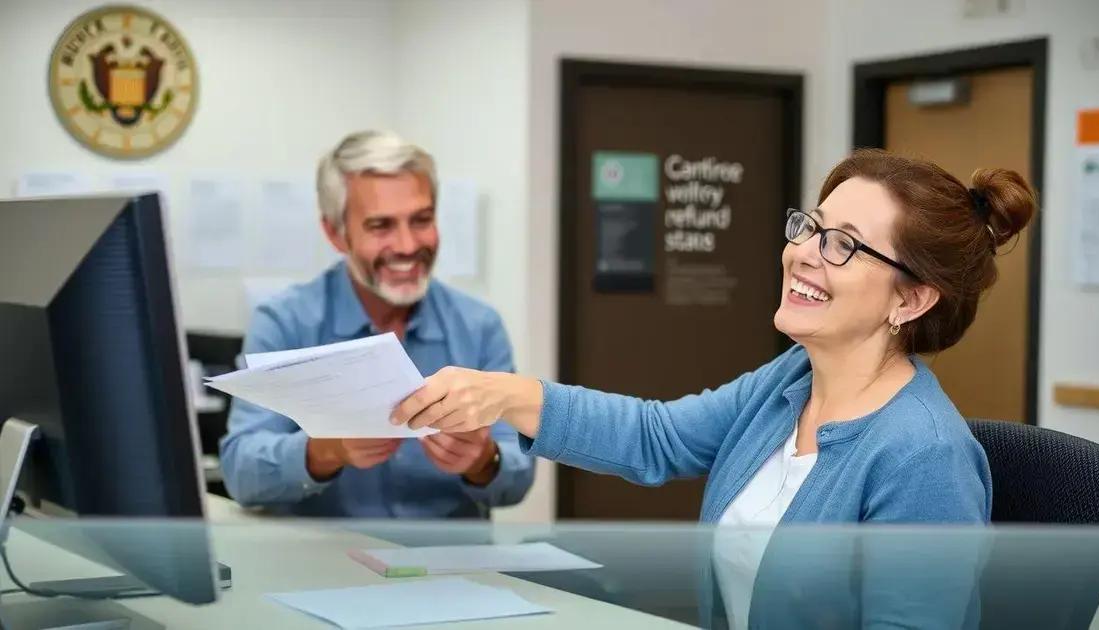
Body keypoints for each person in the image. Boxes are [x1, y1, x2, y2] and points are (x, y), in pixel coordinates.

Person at [390, 149, 1037, 626]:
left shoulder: (924, 455)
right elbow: (656, 436)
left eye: (843, 245)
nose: (804, 252)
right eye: (809, 227)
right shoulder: (789, 382)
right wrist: (504, 395)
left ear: (913, 297)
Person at [219, 130, 534, 518]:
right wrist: (325, 451)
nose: (405, 245)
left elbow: (519, 479)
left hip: (452, 571)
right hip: (328, 569)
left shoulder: (479, 327)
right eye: (380, 226)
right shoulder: (285, 322)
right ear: (336, 233)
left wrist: (483, 460)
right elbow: (240, 473)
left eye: (421, 220)